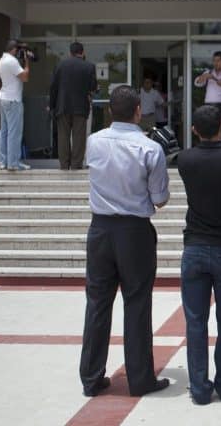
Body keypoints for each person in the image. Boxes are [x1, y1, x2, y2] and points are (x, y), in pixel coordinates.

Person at [79, 85, 170, 398]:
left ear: (109, 111)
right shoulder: (150, 148)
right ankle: (140, 378)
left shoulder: (94, 141)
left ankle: (91, 377)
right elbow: (159, 199)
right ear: (138, 112)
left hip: (100, 229)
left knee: (97, 303)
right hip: (134, 231)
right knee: (137, 303)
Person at [177, 105, 221, 405]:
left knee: (195, 322)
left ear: (194, 130)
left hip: (195, 246)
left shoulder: (185, 159)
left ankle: (200, 387)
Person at [48, 42, 97, 170]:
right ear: (83, 52)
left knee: (63, 136)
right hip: (81, 107)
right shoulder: (89, 66)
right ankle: (76, 165)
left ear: (70, 52)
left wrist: (51, 105)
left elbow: (53, 87)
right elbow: (92, 87)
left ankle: (64, 165)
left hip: (62, 106)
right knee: (79, 137)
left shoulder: (60, 65)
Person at [0, 40, 31, 171]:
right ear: (14, 50)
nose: (19, 53)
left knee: (4, 131)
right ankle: (13, 163)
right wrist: (27, 62)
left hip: (3, 98)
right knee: (14, 132)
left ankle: (3, 162)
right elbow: (25, 77)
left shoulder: (2, 60)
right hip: (13, 100)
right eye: (18, 50)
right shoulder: (12, 61)